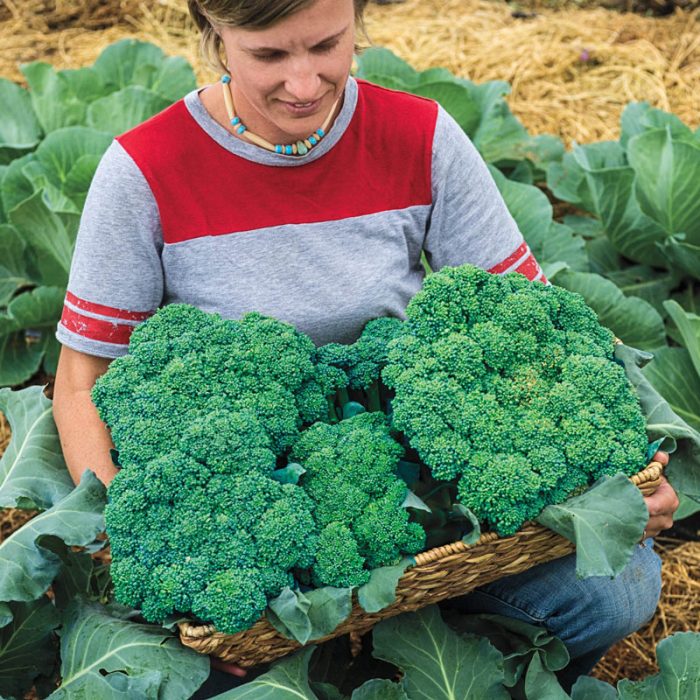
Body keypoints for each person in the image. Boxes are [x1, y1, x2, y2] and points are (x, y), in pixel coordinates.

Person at [52, 0, 679, 695]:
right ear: (214, 33)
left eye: (326, 45)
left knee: (612, 593)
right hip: (246, 503)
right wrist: (144, 530)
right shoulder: (144, 169)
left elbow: (532, 320)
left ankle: (407, 664)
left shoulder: (418, 135)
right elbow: (81, 382)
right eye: (268, 56)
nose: (302, 82)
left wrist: (614, 482)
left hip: (419, 481)